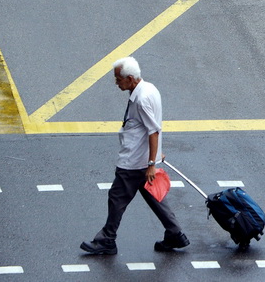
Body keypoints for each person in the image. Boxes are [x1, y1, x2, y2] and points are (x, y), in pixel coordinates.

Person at [80, 57, 189, 255]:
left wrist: (150, 163)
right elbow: (154, 126)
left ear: (130, 78)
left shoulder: (142, 98)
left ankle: (107, 239)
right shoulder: (149, 89)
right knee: (154, 197)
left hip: (134, 161)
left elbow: (153, 130)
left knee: (117, 197)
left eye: (118, 79)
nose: (116, 83)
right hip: (143, 159)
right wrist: (155, 156)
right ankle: (175, 233)